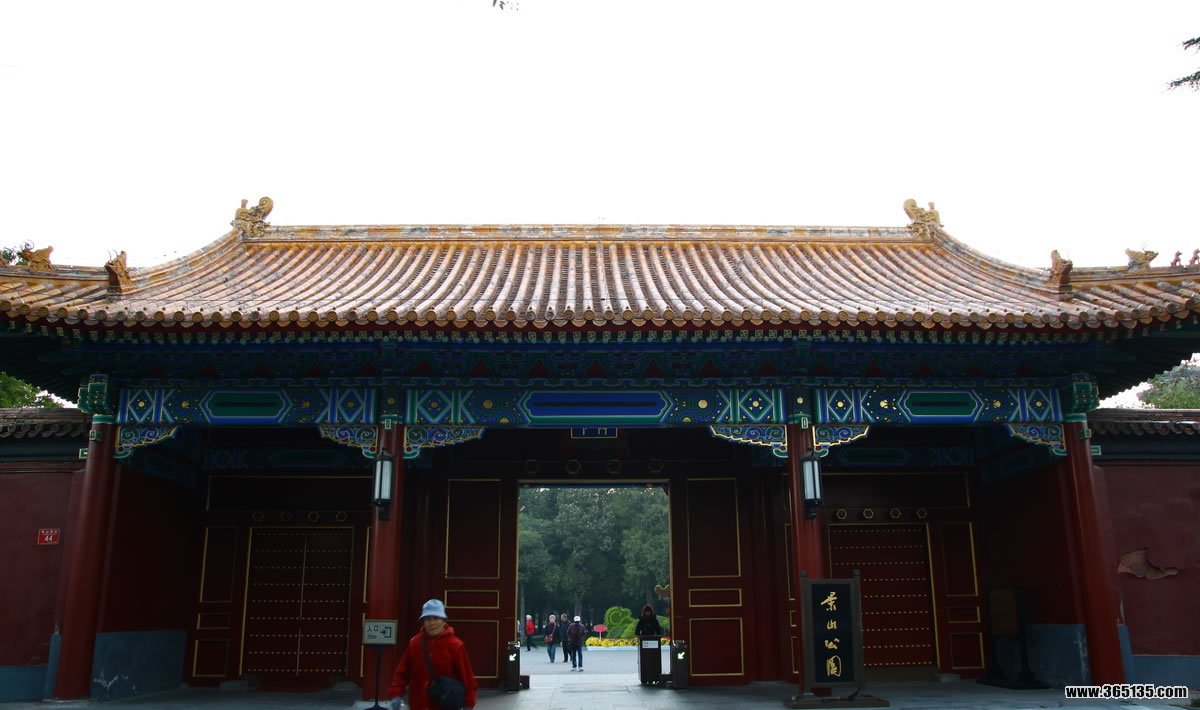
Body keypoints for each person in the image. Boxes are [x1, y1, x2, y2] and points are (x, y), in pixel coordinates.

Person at [387, 599, 477, 710]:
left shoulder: (456, 645)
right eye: (428, 619)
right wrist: (396, 694)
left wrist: (468, 705)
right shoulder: (414, 643)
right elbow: (402, 673)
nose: (432, 623)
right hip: (418, 705)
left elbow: (467, 679)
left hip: (443, 706)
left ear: (443, 620)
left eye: (436, 618)